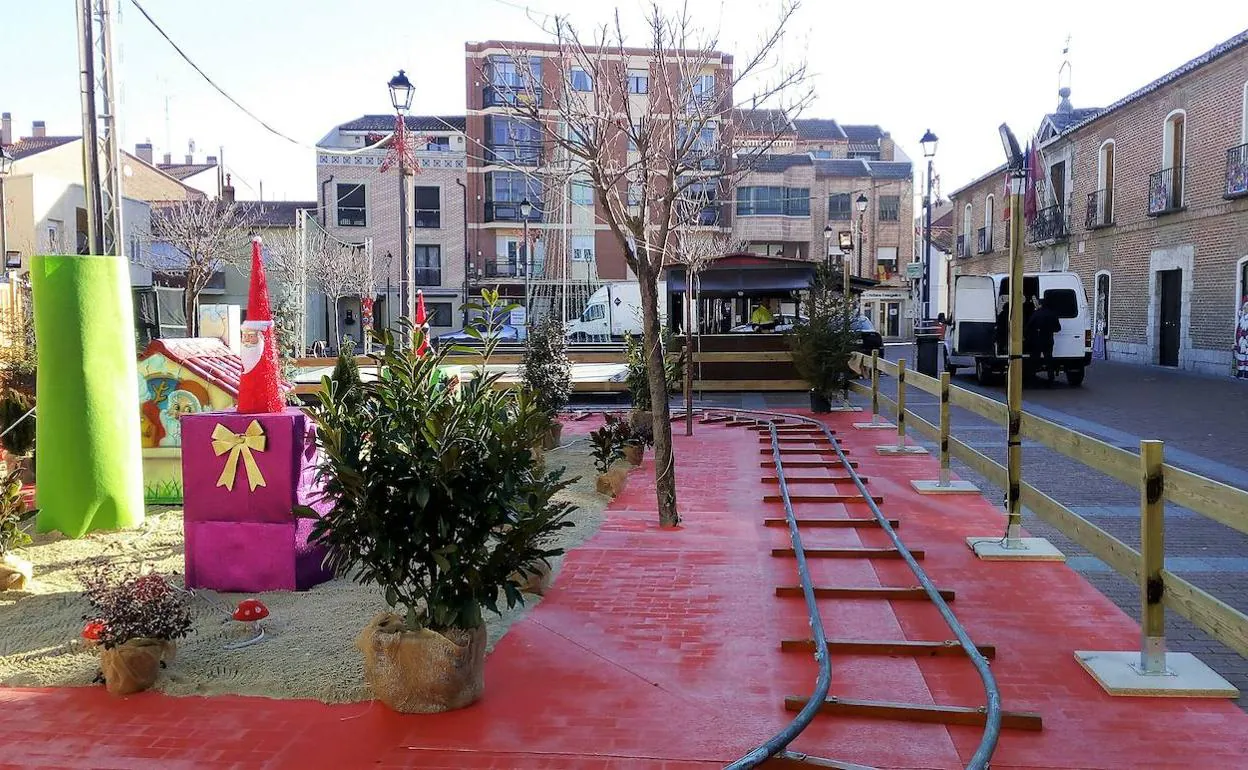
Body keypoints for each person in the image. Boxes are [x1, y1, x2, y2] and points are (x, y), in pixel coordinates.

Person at [1025, 297, 1062, 386]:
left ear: (1040, 304)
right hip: (1048, 339)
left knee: (1034, 359)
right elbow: (1058, 328)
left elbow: (1028, 326)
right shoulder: (1053, 314)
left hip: (1037, 340)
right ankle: (1051, 377)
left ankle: (1032, 377)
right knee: (1049, 358)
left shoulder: (1036, 314)